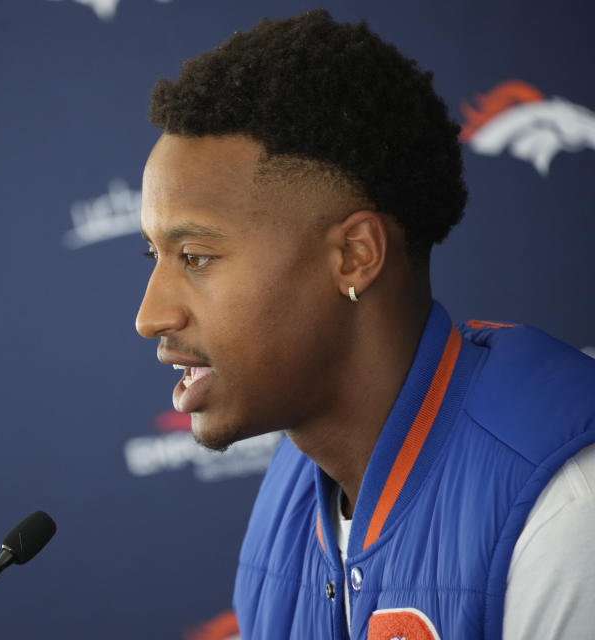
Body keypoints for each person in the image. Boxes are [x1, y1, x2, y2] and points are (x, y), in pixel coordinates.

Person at [134, 10, 595, 640]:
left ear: (355, 256)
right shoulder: (291, 489)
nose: (149, 315)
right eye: (153, 255)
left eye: (197, 258)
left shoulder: (568, 508)